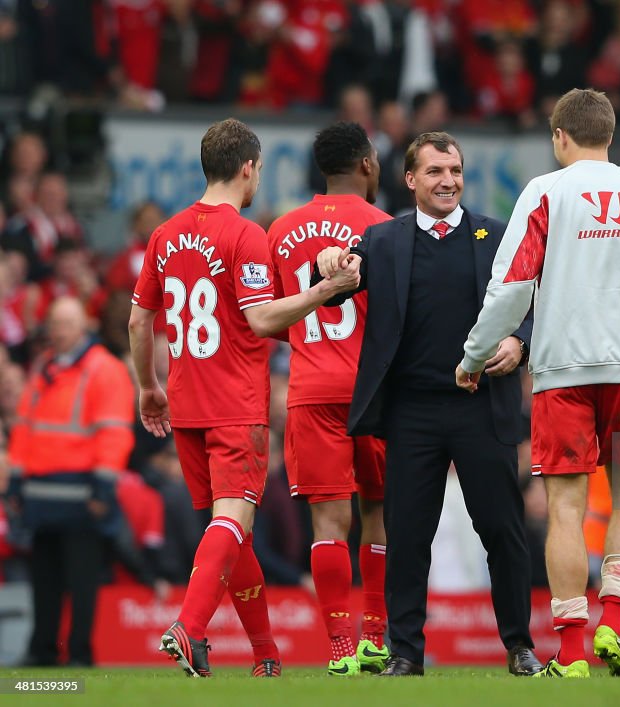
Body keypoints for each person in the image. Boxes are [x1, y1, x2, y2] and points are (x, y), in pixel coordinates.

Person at [456, 88, 620, 678]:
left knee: (566, 508)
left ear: (559, 137)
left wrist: (473, 355)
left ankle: (572, 650)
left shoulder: (545, 192)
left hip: (563, 374)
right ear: (609, 136)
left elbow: (510, 287)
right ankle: (615, 619)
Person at [127, 118, 358, 678]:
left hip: (184, 404)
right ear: (249, 168)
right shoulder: (245, 234)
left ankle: (265, 655)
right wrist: (324, 291)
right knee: (232, 522)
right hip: (234, 404)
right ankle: (189, 627)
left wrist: (147, 388)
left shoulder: (164, 235)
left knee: (233, 532)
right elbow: (258, 319)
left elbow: (138, 320)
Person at [314, 131, 542, 677]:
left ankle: (519, 645)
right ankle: (406, 652)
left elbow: (534, 296)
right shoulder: (383, 239)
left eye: (456, 171)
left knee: (503, 531)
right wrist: (325, 262)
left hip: (480, 404)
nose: (448, 181)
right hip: (411, 412)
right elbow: (336, 283)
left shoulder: (495, 234)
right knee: (408, 535)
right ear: (410, 179)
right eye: (436, 171)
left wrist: (521, 340)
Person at [267, 122, 391, 676]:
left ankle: (339, 649)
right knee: (380, 514)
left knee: (329, 525)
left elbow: (269, 316)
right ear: (367, 164)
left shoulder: (282, 229)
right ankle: (376, 638)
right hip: (376, 391)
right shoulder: (388, 228)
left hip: (312, 389)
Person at [6, 297, 135, 666]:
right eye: (54, 324)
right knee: (44, 580)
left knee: (81, 582)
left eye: (64, 325)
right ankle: (42, 651)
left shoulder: (103, 370)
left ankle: (80, 654)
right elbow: (24, 429)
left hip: (81, 492)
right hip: (41, 494)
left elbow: (113, 433)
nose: (57, 332)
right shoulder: (44, 367)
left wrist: (103, 487)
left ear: (83, 328)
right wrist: (16, 483)